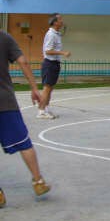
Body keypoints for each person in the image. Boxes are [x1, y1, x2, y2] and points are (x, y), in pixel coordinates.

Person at [0, 30, 51, 207]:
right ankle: (38, 182)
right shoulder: (4, 37)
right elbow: (23, 61)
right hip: (5, 101)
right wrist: (34, 88)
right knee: (24, 143)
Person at [37, 13, 71, 119]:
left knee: (50, 88)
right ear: (55, 22)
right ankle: (41, 111)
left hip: (54, 64)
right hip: (49, 64)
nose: (62, 21)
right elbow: (48, 51)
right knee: (47, 88)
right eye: (60, 19)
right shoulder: (51, 34)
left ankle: (46, 109)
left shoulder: (56, 34)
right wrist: (63, 53)